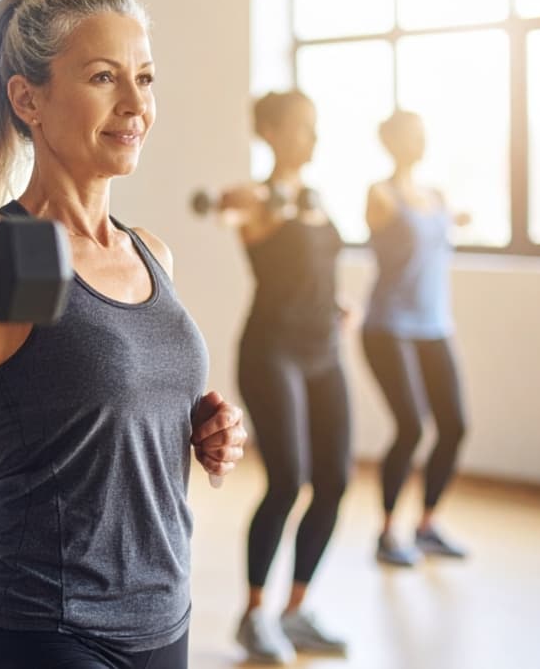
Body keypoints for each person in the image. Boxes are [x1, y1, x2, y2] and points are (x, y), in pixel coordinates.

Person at [0, 0, 247, 669]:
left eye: (144, 78)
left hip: (162, 614)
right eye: (104, 77)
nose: (135, 105)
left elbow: (130, 407)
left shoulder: (151, 252)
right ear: (27, 99)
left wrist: (207, 430)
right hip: (43, 623)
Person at [218, 91, 351, 663]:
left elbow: (316, 267)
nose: (313, 139)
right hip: (272, 353)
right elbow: (230, 208)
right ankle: (253, 615)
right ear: (270, 132)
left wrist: (339, 303)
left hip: (324, 349)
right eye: (301, 128)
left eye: (315, 128)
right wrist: (249, 198)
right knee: (287, 479)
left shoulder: (315, 199)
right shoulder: (255, 201)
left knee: (336, 480)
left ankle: (296, 611)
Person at [363, 109, 469, 566]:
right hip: (389, 326)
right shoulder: (381, 195)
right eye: (411, 135)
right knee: (411, 427)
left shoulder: (436, 196)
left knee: (455, 425)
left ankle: (426, 526)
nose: (419, 142)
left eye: (423, 134)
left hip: (434, 325)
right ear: (392, 142)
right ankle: (388, 533)